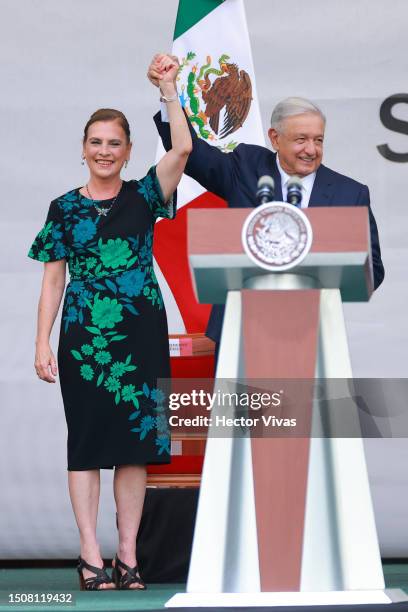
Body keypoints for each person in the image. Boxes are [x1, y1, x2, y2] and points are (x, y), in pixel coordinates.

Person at [28, 56, 192, 590]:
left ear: (127, 150)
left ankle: (128, 557)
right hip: (83, 342)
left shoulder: (146, 195)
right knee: (88, 444)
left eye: (114, 143)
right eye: (95, 142)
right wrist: (41, 343)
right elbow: (54, 280)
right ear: (83, 148)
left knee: (135, 445)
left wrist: (169, 90)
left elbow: (184, 149)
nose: (104, 151)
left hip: (140, 334)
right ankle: (90, 556)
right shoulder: (62, 209)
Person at [148, 53, 385, 349]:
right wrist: (169, 92)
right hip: (240, 332)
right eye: (301, 139)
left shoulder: (350, 193)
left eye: (318, 140)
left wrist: (322, 275)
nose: (311, 150)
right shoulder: (247, 166)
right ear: (274, 138)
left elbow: (372, 269)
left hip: (309, 335)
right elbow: (189, 152)